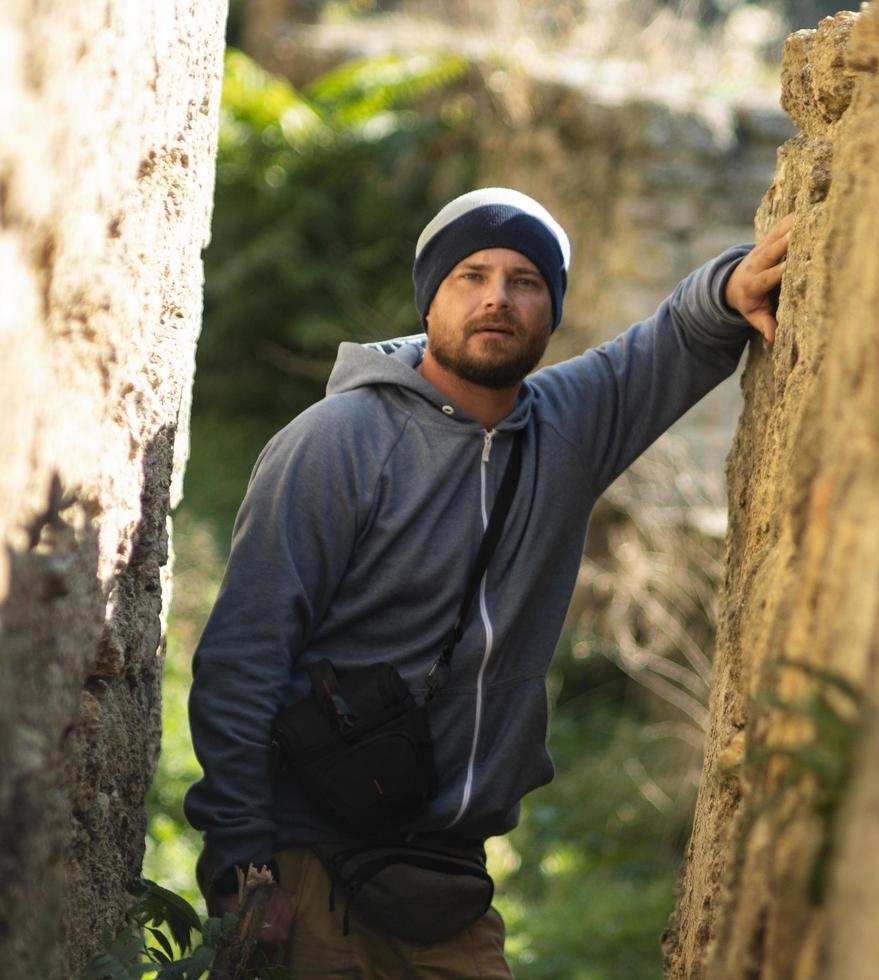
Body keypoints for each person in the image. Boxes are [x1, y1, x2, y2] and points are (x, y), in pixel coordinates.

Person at [184, 187, 793, 977]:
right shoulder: (338, 442)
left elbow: (676, 335)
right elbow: (243, 657)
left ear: (552, 308)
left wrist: (730, 285)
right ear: (431, 295)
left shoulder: (568, 425)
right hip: (312, 869)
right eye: (470, 275)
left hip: (448, 882)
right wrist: (241, 869)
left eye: (524, 281)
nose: (496, 299)